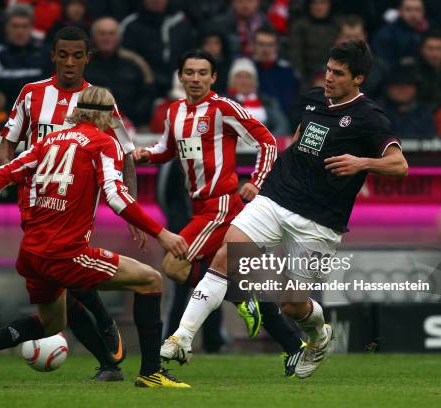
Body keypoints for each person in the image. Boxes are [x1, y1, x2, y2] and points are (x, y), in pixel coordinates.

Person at [160, 40, 408, 380]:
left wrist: (360, 162)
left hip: (319, 220)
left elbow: (400, 165)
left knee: (292, 305)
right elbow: (300, 137)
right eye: (328, 70)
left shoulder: (370, 117)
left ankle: (319, 337)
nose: (329, 78)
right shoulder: (311, 99)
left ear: (358, 79)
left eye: (338, 73)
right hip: (276, 197)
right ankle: (181, 338)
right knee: (225, 257)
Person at [0, 86, 190, 389]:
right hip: (66, 253)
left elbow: (1, 175)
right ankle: (151, 372)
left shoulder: (47, 141)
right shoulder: (103, 142)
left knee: (51, 323)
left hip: (32, 254)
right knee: (150, 280)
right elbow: (115, 195)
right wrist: (161, 233)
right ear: (108, 115)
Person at [134, 50, 305, 376]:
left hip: (222, 206)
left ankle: (226, 311)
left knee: (174, 263)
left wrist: (256, 181)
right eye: (190, 72)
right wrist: (147, 156)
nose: (195, 79)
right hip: (199, 208)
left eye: (202, 73)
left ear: (213, 78)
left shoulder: (222, 108)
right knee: (250, 282)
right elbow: (168, 149)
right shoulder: (174, 112)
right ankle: (293, 346)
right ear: (180, 77)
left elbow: (267, 142)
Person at [0, 26, 140, 381]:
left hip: (75, 205)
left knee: (61, 273)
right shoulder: (31, 94)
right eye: (63, 55)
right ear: (53, 56)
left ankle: (105, 336)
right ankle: (108, 357)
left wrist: (132, 210)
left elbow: (127, 155)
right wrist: (2, 175)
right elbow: (7, 142)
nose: (70, 63)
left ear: (88, 58)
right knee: (58, 281)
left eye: (78, 56)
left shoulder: (98, 99)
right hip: (33, 204)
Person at [85, 17, 156, 127]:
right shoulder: (83, 65)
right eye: (102, 33)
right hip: (89, 125)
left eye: (111, 33)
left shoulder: (134, 64)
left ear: (119, 37)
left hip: (132, 126)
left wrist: (132, 117)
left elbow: (147, 94)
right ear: (93, 37)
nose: (107, 38)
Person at [0, 4, 51, 110]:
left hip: (42, 111)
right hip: (8, 114)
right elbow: (5, 83)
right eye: (15, 26)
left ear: (31, 28)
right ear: (6, 27)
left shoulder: (45, 52)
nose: (20, 31)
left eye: (24, 26)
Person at [226, 57, 290, 135]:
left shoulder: (267, 101)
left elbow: (282, 125)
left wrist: (269, 140)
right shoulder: (225, 102)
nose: (244, 81)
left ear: (254, 80)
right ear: (233, 81)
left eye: (248, 77)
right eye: (239, 77)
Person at [288, 0, 339, 87]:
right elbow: (295, 56)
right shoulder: (299, 26)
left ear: (329, 5)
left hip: (335, 74)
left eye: (323, 3)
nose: (318, 7)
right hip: (307, 76)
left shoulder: (337, 25)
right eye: (314, 3)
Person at [379, 64, 435, 137]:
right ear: (387, 89)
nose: (403, 89)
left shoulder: (423, 113)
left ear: (416, 89)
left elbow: (430, 144)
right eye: (397, 85)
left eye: (408, 85)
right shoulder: (375, 113)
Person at [371, 0, 428, 66]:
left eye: (417, 10)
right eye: (408, 9)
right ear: (400, 11)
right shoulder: (386, 35)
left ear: (423, 11)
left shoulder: (429, 31)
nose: (413, 14)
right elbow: (382, 64)